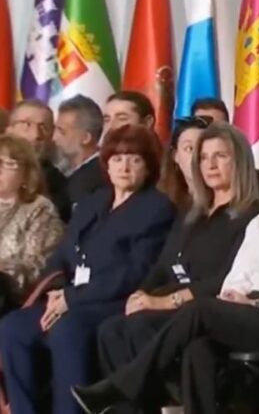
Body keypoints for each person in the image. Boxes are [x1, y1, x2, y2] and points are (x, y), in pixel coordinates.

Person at [72, 120, 259, 414]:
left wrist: (256, 304)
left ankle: (120, 388)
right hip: (248, 316)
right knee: (200, 349)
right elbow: (239, 275)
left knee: (202, 309)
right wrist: (235, 296)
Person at [0, 125, 175, 414]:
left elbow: (134, 272)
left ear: (149, 166)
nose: (125, 166)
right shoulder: (93, 202)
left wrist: (72, 298)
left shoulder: (156, 208)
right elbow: (63, 255)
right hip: (68, 296)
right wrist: (57, 291)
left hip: (112, 302)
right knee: (13, 328)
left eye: (134, 159)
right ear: (106, 163)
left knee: (66, 329)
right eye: (117, 159)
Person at [96, 123, 259, 410]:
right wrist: (140, 294)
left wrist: (162, 302)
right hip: (167, 301)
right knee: (110, 329)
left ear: (240, 161)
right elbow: (163, 264)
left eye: (220, 156)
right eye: (203, 157)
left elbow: (227, 278)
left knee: (138, 328)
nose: (210, 164)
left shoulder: (255, 215)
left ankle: (165, 402)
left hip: (206, 308)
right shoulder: (191, 210)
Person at [0, 135, 63, 313]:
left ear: (27, 173)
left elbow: (36, 267)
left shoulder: (40, 209)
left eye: (8, 164)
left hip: (13, 295)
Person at [6, 99, 71, 221]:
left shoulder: (58, 187)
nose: (36, 135)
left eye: (43, 127)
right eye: (26, 124)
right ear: (9, 130)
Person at [54, 95, 107, 208]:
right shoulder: (72, 173)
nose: (54, 138)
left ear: (86, 138)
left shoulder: (93, 179)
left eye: (62, 132)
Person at [158, 116, 211, 208]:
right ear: (175, 155)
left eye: (202, 147)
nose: (196, 155)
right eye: (189, 148)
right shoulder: (162, 206)